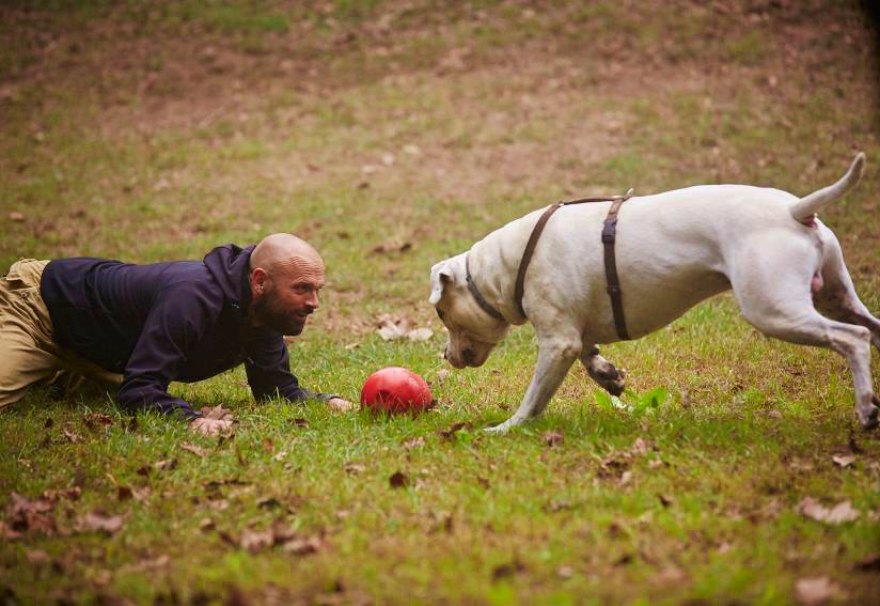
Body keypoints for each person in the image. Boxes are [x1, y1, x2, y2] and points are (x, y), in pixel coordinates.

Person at [0, 233, 355, 435]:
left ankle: (64, 374)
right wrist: (192, 420)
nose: (314, 302)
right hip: (39, 308)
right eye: (303, 288)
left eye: (317, 289)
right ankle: (50, 365)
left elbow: (276, 391)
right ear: (260, 281)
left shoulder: (260, 315)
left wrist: (329, 401)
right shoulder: (192, 296)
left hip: (97, 347)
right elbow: (140, 389)